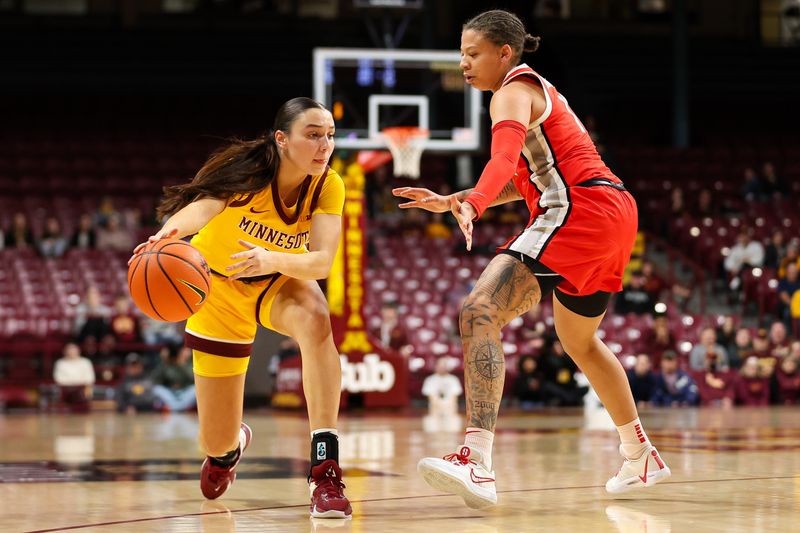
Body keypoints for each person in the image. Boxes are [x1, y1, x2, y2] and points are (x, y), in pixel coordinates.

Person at [394, 10, 670, 509]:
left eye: (472, 53)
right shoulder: (536, 95)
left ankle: (476, 461)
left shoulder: (511, 91)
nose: (463, 63)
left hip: (581, 210)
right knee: (580, 342)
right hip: (612, 212)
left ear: (505, 53)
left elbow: (500, 161)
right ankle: (639, 453)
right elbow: (520, 180)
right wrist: (456, 198)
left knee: (479, 311)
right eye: (460, 53)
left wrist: (474, 204)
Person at [129, 97, 351, 518]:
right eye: (313, 135)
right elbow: (203, 207)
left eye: (329, 136)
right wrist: (165, 235)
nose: (324, 146)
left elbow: (322, 261)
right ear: (282, 139)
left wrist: (271, 260)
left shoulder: (328, 185)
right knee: (215, 441)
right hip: (217, 291)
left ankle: (325, 469)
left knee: (317, 320)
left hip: (277, 279)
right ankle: (229, 450)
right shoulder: (249, 172)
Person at [151, 345, 197, 412]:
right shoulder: (168, 363)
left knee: (194, 389)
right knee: (157, 389)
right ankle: (179, 407)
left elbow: (193, 379)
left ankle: (175, 408)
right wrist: (164, 361)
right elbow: (156, 380)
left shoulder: (191, 363)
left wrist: (183, 364)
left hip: (185, 392)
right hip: (171, 393)